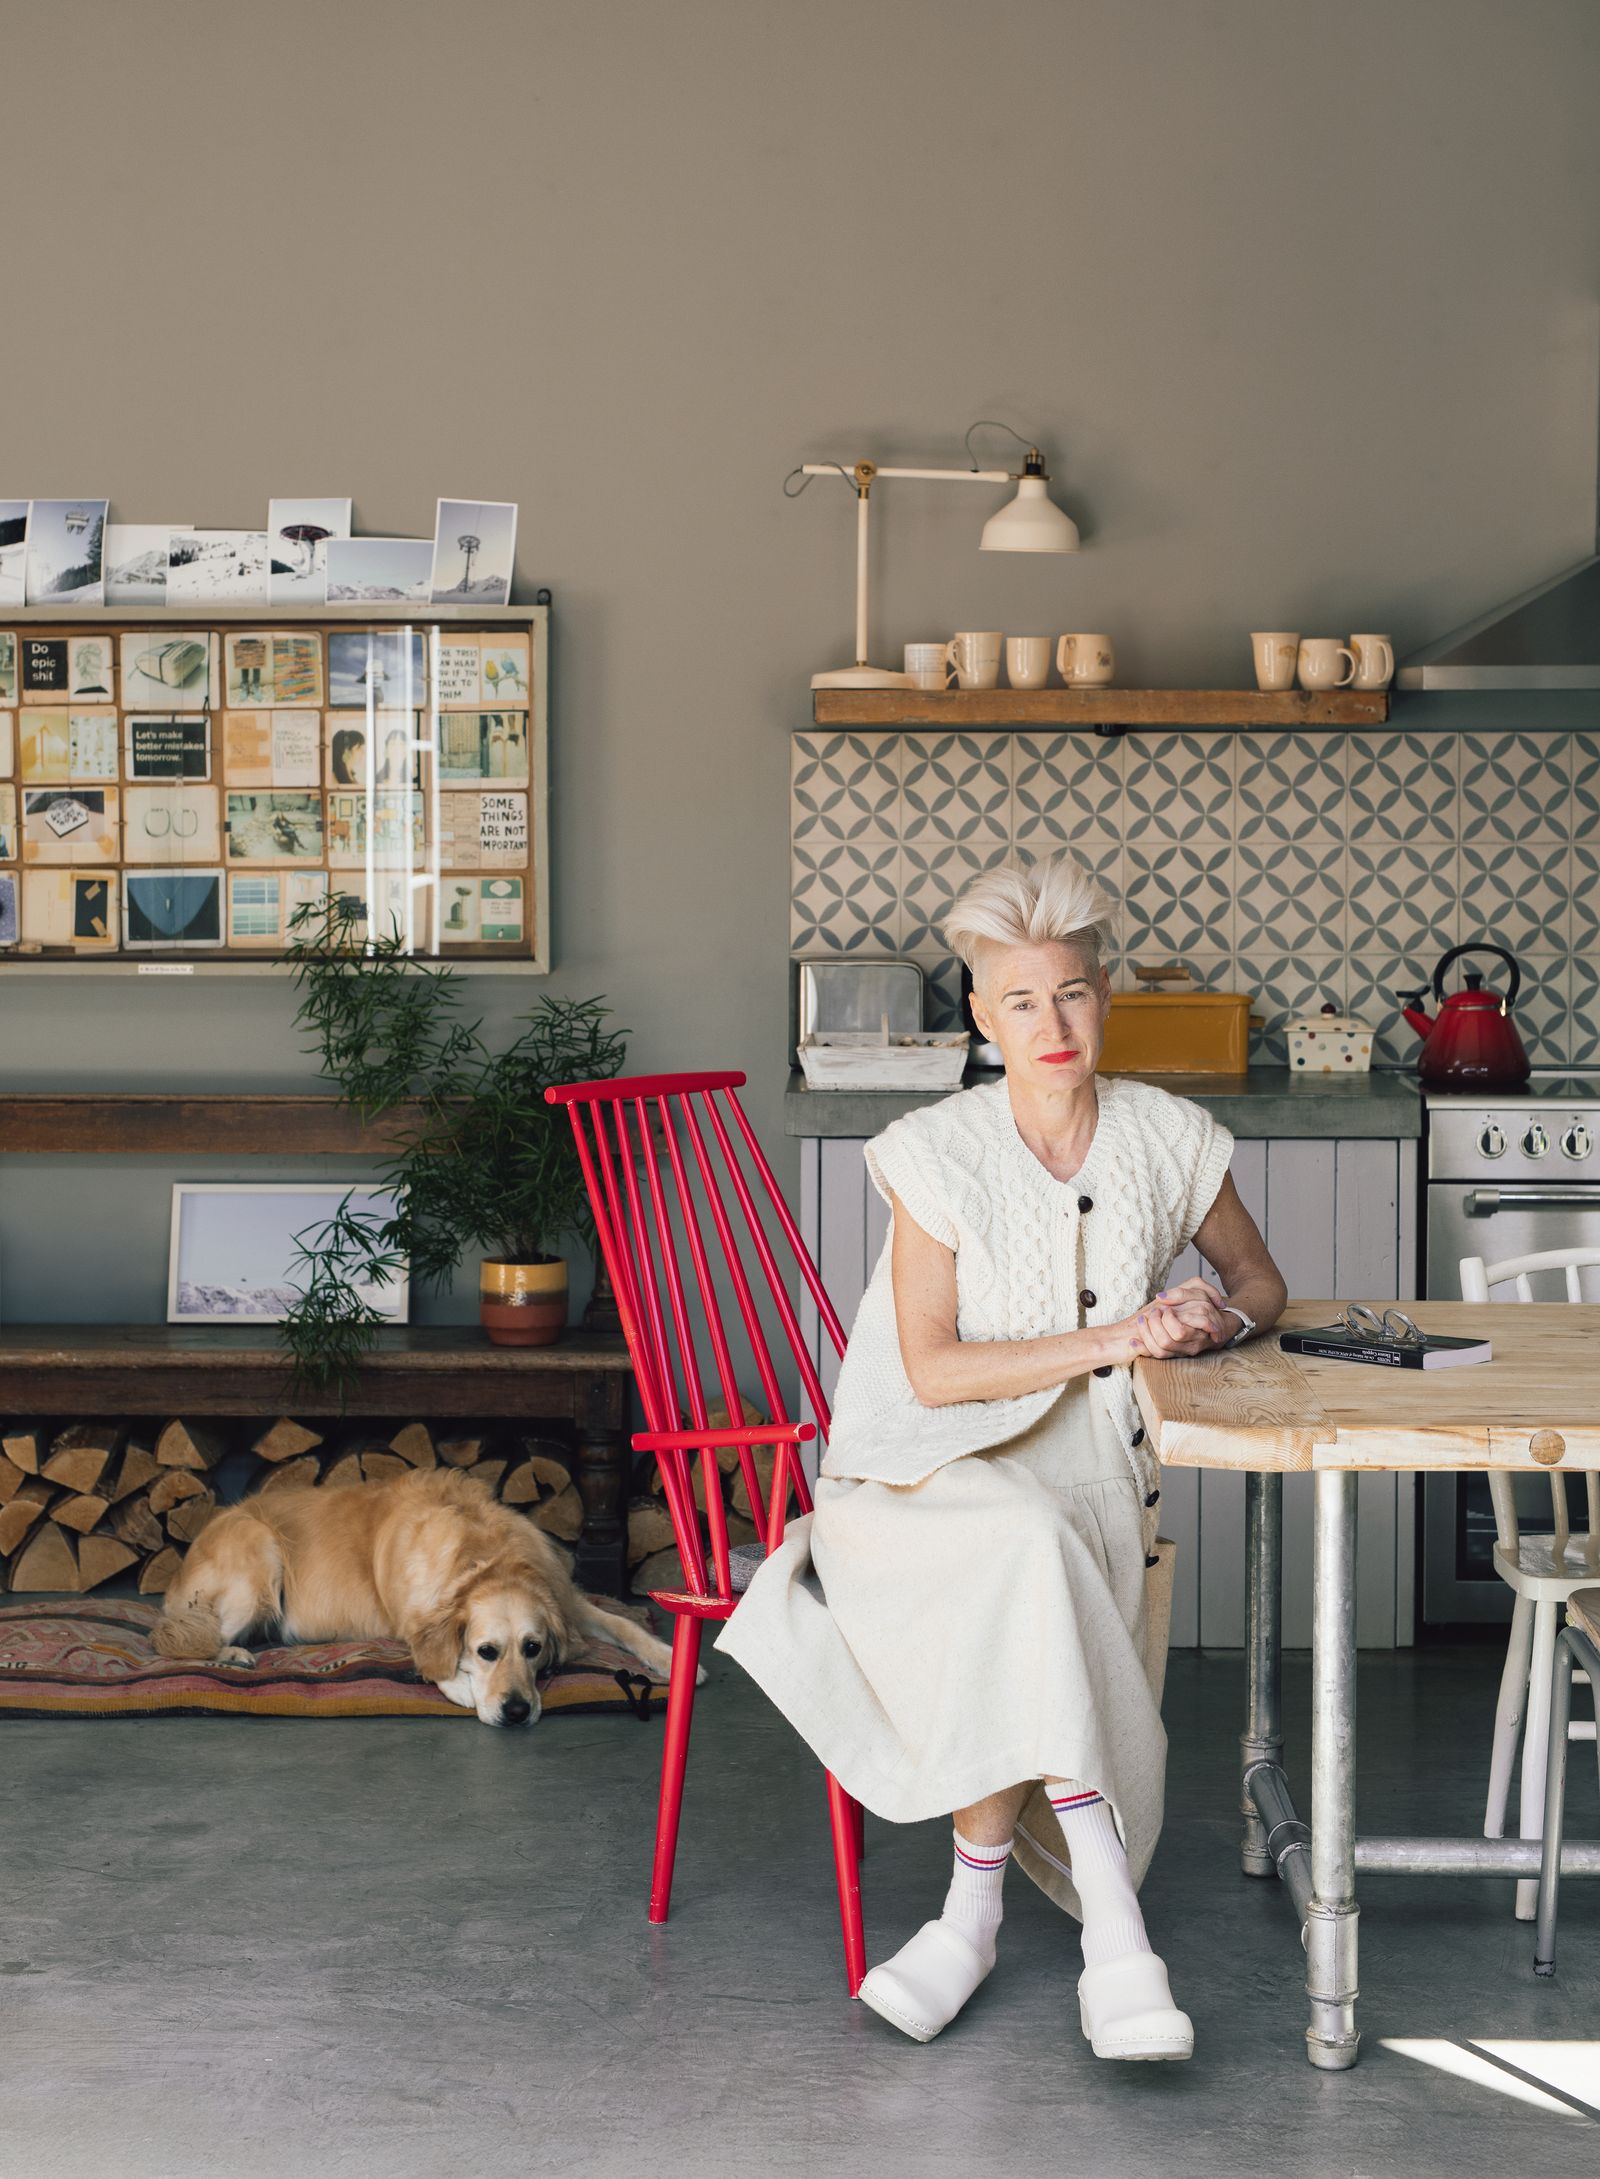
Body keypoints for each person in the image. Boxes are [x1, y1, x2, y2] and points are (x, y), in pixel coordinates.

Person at [715, 849, 1286, 2058]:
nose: (1052, 1020)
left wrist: (1207, 1318)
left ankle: (966, 1914)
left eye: (1071, 991)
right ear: (981, 1016)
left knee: (1031, 1571)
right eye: (1020, 1000)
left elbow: (1260, 1281)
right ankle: (1116, 1938)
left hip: (1087, 1473)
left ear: (1103, 996)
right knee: (1024, 1548)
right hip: (909, 1481)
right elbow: (929, 1371)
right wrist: (1118, 1332)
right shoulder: (933, 1151)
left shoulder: (1170, 1137)